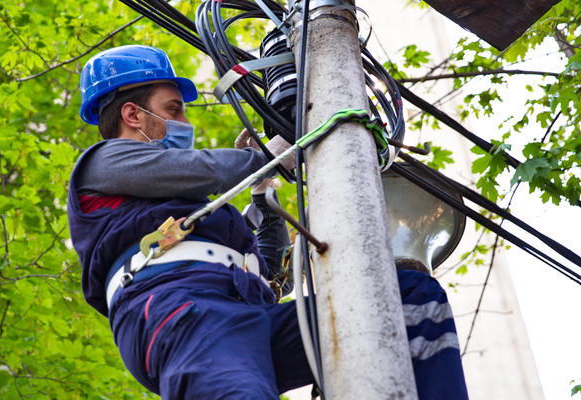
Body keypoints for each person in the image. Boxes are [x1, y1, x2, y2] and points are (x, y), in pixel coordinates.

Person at [67, 44, 468, 399]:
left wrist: (261, 191)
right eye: (173, 110)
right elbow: (204, 169)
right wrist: (271, 153)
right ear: (132, 114)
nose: (184, 124)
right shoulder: (102, 165)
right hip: (184, 315)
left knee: (406, 296)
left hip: (249, 318)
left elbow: (272, 276)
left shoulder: (205, 216)